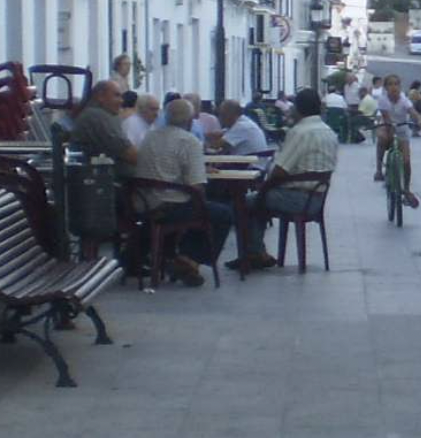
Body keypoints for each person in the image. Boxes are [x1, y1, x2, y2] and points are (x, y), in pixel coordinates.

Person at [231, 88, 339, 273]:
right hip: (316, 197)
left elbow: (280, 169)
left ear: (299, 108)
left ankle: (254, 253)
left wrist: (265, 186)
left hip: (297, 198)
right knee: (259, 200)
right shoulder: (328, 131)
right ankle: (256, 252)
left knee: (244, 202)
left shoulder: (300, 132)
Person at [131, 99, 223, 287]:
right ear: (190, 121)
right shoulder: (189, 141)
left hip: (142, 202)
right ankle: (189, 260)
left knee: (193, 205)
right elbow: (196, 185)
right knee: (221, 213)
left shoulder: (150, 136)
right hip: (169, 206)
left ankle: (171, 257)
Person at [369, 74, 421, 205]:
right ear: (386, 87)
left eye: (396, 84)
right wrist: (390, 129)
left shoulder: (404, 100)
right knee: (382, 138)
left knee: (406, 161)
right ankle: (379, 170)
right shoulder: (383, 100)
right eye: (390, 84)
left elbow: (412, 112)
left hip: (402, 129)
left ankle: (407, 190)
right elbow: (386, 117)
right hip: (388, 126)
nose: (394, 87)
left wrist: (419, 120)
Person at [68, 79, 136, 174]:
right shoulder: (97, 116)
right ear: (101, 96)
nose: (121, 101)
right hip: (95, 177)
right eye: (116, 95)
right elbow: (130, 155)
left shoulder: (103, 114)